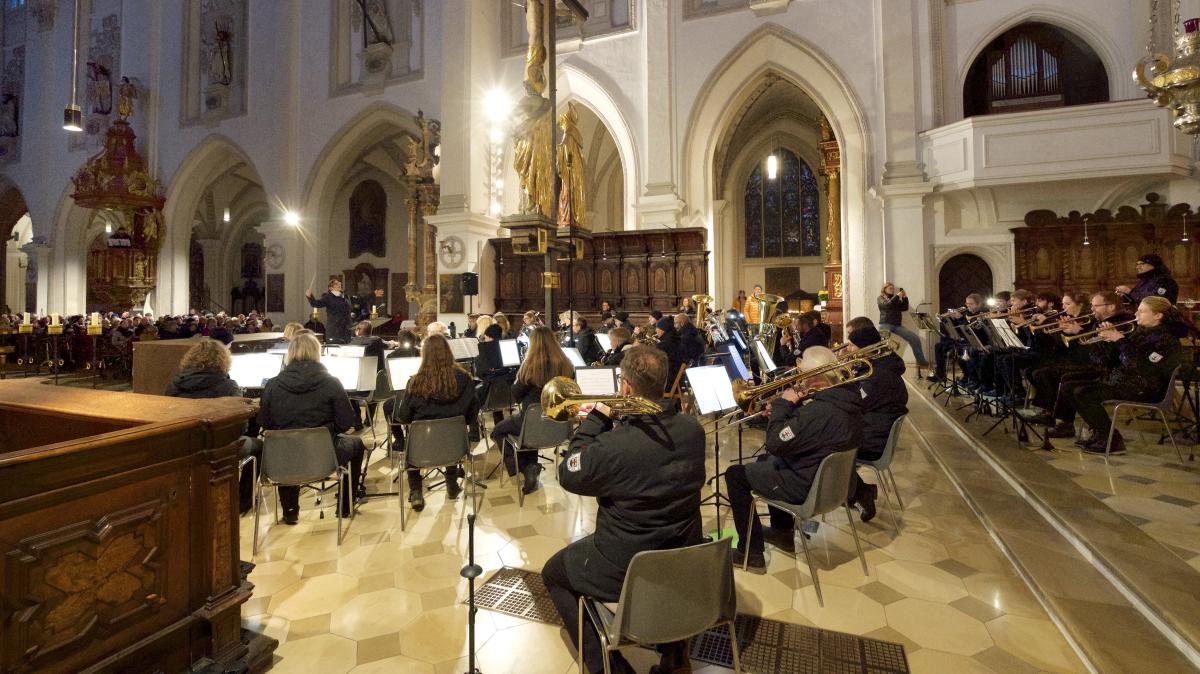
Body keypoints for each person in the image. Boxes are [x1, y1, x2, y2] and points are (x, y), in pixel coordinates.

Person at [542, 345, 706, 674]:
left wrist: (598, 418)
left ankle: (609, 667)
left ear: (625, 386)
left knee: (553, 574)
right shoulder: (693, 431)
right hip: (684, 556)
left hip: (627, 565)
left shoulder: (614, 447)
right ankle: (675, 656)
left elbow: (569, 474)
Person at [726, 346, 863, 572]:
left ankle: (750, 552)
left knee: (736, 475)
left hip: (807, 487)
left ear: (816, 378)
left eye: (803, 376)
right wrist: (789, 412)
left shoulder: (818, 412)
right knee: (764, 461)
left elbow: (776, 443)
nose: (800, 382)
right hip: (833, 486)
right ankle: (783, 532)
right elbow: (805, 435)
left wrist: (782, 407)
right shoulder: (847, 400)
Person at [257, 332, 366, 522]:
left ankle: (290, 511)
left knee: (286, 443)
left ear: (290, 353)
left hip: (282, 461)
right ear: (317, 352)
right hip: (323, 458)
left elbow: (264, 423)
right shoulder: (331, 382)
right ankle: (345, 506)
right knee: (356, 444)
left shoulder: (273, 385)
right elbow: (346, 421)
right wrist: (327, 430)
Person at [1055, 297, 1183, 454]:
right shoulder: (1139, 332)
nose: (1136, 313)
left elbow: (1141, 367)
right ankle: (1101, 433)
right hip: (1123, 381)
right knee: (1069, 386)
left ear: (1158, 316)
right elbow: (1107, 362)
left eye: (1142, 311)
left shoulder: (1166, 340)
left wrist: (1121, 341)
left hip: (1145, 388)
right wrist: (1105, 341)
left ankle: (1112, 440)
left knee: (1083, 393)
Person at [164, 338, 262, 515]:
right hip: (220, 446)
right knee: (259, 446)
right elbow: (240, 428)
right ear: (223, 360)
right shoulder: (228, 385)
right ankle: (242, 501)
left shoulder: (174, 385)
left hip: (184, 447)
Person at [390, 334, 481, 511]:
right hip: (456, 446)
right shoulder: (464, 378)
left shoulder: (415, 382)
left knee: (413, 439)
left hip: (421, 449)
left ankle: (416, 491)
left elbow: (404, 417)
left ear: (424, 355)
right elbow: (472, 414)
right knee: (449, 431)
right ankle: (452, 484)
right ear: (448, 352)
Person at [1029, 292, 1134, 439]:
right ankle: (1054, 416)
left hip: (1106, 370)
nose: (1092, 309)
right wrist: (1073, 334)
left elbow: (1106, 357)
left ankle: (1065, 423)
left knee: (1065, 379)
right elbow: (1087, 352)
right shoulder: (1100, 321)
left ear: (1111, 307)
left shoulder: (1121, 323)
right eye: (1091, 305)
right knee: (1047, 373)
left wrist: (1080, 332)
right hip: (1094, 365)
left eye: (1096, 306)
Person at [492, 326, 574, 492]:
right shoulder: (567, 364)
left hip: (532, 420)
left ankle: (525, 467)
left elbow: (515, 395)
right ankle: (531, 466)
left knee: (498, 432)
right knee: (532, 428)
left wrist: (518, 379)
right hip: (558, 422)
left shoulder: (529, 366)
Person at [841, 319, 906, 522]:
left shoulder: (879, 375)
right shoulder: (877, 366)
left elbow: (855, 403)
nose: (847, 348)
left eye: (851, 345)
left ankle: (860, 492)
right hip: (871, 427)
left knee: (824, 443)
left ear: (865, 348)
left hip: (874, 437)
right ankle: (850, 490)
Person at [877, 282, 928, 367]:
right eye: (890, 288)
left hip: (897, 326)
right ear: (884, 289)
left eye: (893, 289)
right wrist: (897, 296)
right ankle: (881, 365)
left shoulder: (895, 299)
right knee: (883, 345)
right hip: (885, 324)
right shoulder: (881, 298)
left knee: (915, 339)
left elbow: (904, 308)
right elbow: (887, 305)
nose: (892, 290)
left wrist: (905, 297)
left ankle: (921, 362)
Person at [307, 278, 352, 343]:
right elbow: (316, 304)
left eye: (339, 283)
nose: (339, 284)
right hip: (335, 328)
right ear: (330, 288)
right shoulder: (328, 297)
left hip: (346, 328)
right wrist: (310, 296)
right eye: (336, 284)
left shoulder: (345, 297)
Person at [654, 316, 685, 390]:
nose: (656, 330)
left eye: (657, 328)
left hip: (666, 382)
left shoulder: (664, 345)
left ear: (662, 330)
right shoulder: (678, 340)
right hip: (676, 381)